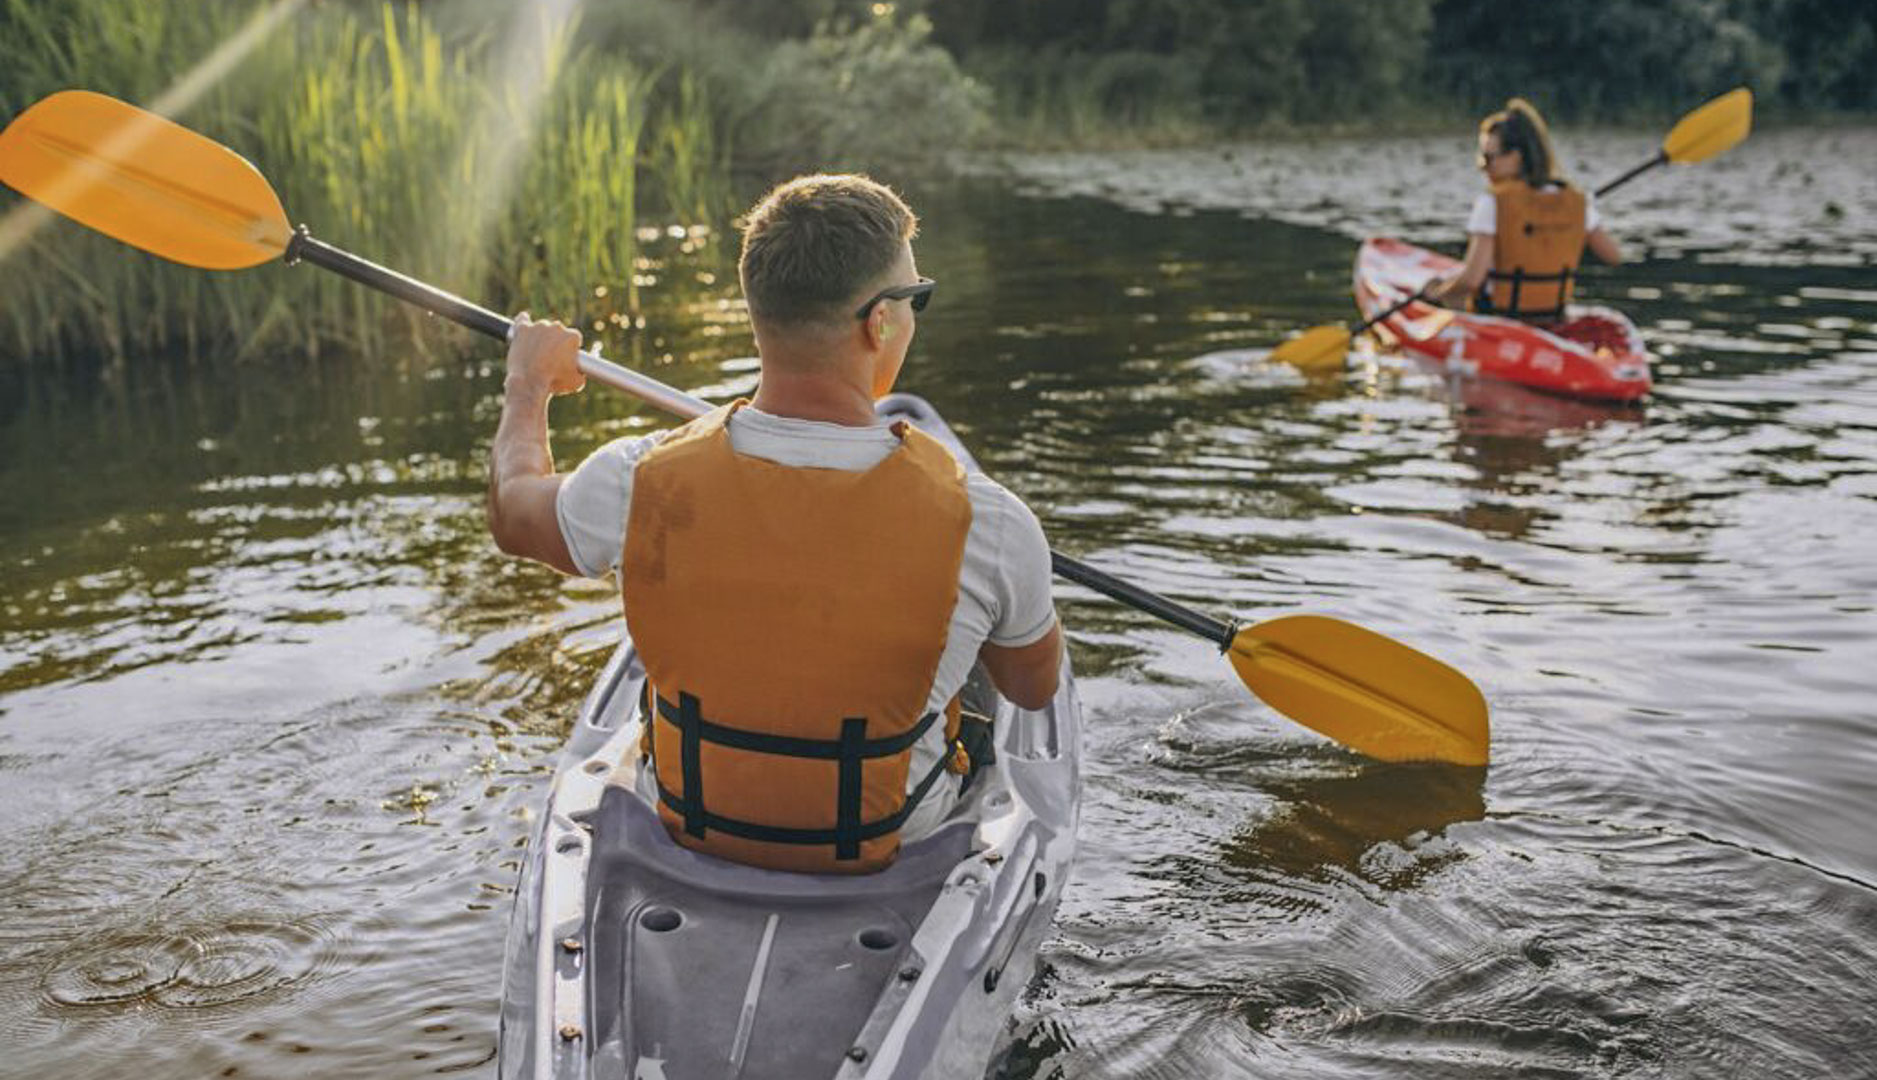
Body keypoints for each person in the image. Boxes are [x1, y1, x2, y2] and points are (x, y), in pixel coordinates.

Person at [485, 174, 1063, 874]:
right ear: (880, 321)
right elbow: (1032, 690)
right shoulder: (988, 521)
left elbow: (513, 511)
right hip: (894, 840)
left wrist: (528, 385)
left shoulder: (637, 478)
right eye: (916, 298)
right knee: (980, 655)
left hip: (691, 825)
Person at [1426, 98, 1624, 319]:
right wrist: (1579, 217)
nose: (1482, 167)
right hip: (1553, 315)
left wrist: (1437, 294)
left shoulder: (1493, 202)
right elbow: (1613, 256)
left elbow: (1472, 280)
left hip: (1501, 318)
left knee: (1451, 297)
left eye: (1489, 158)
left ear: (1516, 156)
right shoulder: (1576, 200)